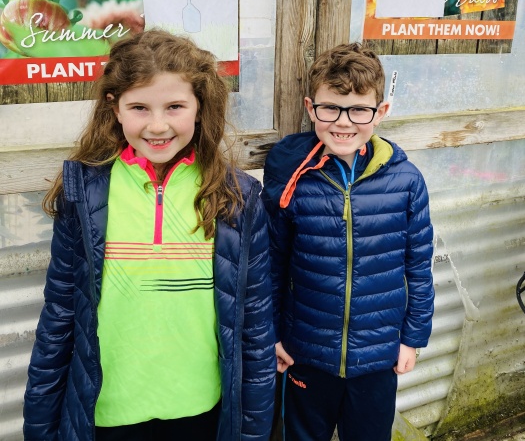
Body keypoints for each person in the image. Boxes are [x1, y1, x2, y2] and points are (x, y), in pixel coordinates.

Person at [24, 30, 275, 441]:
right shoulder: (85, 194)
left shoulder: (235, 196)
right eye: (139, 107)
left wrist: (252, 430)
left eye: (175, 106)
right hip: (108, 413)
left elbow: (255, 326)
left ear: (199, 107)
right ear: (115, 108)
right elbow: (59, 317)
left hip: (201, 412)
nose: (158, 125)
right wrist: (41, 426)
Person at [262, 43, 434, 441]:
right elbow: (273, 263)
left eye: (359, 110)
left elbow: (419, 268)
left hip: (378, 357)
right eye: (330, 108)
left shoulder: (406, 182)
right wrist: (273, 335)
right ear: (311, 108)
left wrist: (412, 339)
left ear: (381, 112)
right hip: (306, 353)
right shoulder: (295, 180)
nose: (343, 123)